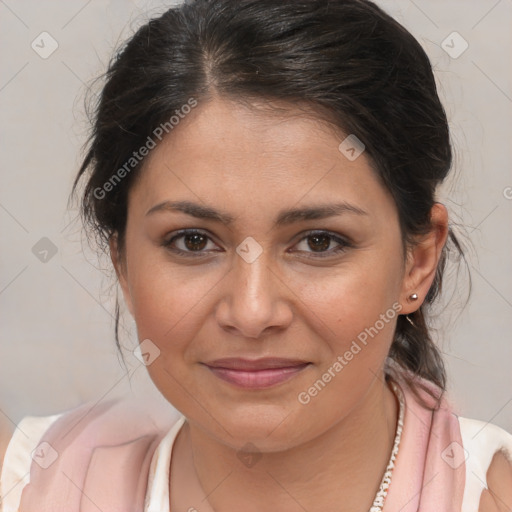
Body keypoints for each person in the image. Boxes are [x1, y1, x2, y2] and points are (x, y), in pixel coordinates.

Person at [1, 0, 511, 510]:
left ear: (417, 261)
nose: (251, 313)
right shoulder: (34, 485)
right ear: (123, 263)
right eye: (193, 241)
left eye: (319, 242)